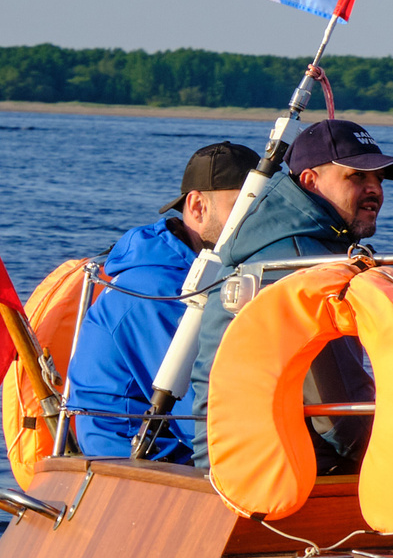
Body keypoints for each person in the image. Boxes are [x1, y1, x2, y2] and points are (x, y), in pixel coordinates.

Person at [186, 120, 393, 471]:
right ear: (310, 181)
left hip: (230, 462)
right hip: (277, 473)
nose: (375, 190)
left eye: (379, 181)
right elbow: (341, 420)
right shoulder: (304, 265)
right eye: (357, 178)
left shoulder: (273, 243)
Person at [59, 141, 255, 461]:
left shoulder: (185, 273)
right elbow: (199, 416)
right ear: (197, 207)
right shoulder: (157, 291)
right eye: (244, 207)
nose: (254, 224)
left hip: (170, 454)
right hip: (139, 464)